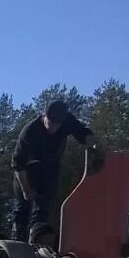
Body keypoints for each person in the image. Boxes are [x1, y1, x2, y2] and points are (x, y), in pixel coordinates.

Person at [11, 100, 101, 242]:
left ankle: (37, 241)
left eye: (57, 124)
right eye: (51, 122)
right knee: (22, 208)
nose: (53, 127)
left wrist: (96, 147)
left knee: (43, 206)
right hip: (26, 172)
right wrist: (26, 190)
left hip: (49, 169)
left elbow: (85, 135)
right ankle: (17, 241)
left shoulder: (67, 121)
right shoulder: (29, 132)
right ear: (44, 115)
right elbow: (18, 165)